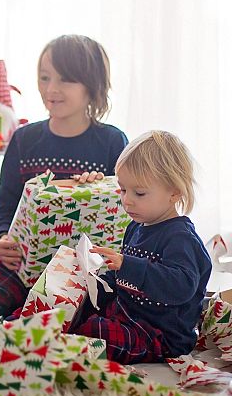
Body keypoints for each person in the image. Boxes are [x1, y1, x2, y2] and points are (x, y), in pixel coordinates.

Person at [0, 34, 128, 320]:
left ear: (91, 85)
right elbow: (5, 206)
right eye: (45, 77)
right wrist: (1, 239)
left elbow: (131, 212)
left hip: (86, 271)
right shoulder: (24, 139)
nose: (51, 89)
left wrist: (103, 188)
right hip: (22, 266)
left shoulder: (112, 142)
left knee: (78, 318)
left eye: (65, 80)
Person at [74, 130, 212, 364]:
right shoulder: (135, 227)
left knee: (96, 333)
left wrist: (127, 265)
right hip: (128, 315)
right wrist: (96, 283)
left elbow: (181, 286)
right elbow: (123, 279)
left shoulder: (180, 237)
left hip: (160, 335)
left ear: (174, 193)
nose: (127, 200)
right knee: (77, 308)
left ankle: (70, 350)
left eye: (139, 193)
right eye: (123, 190)